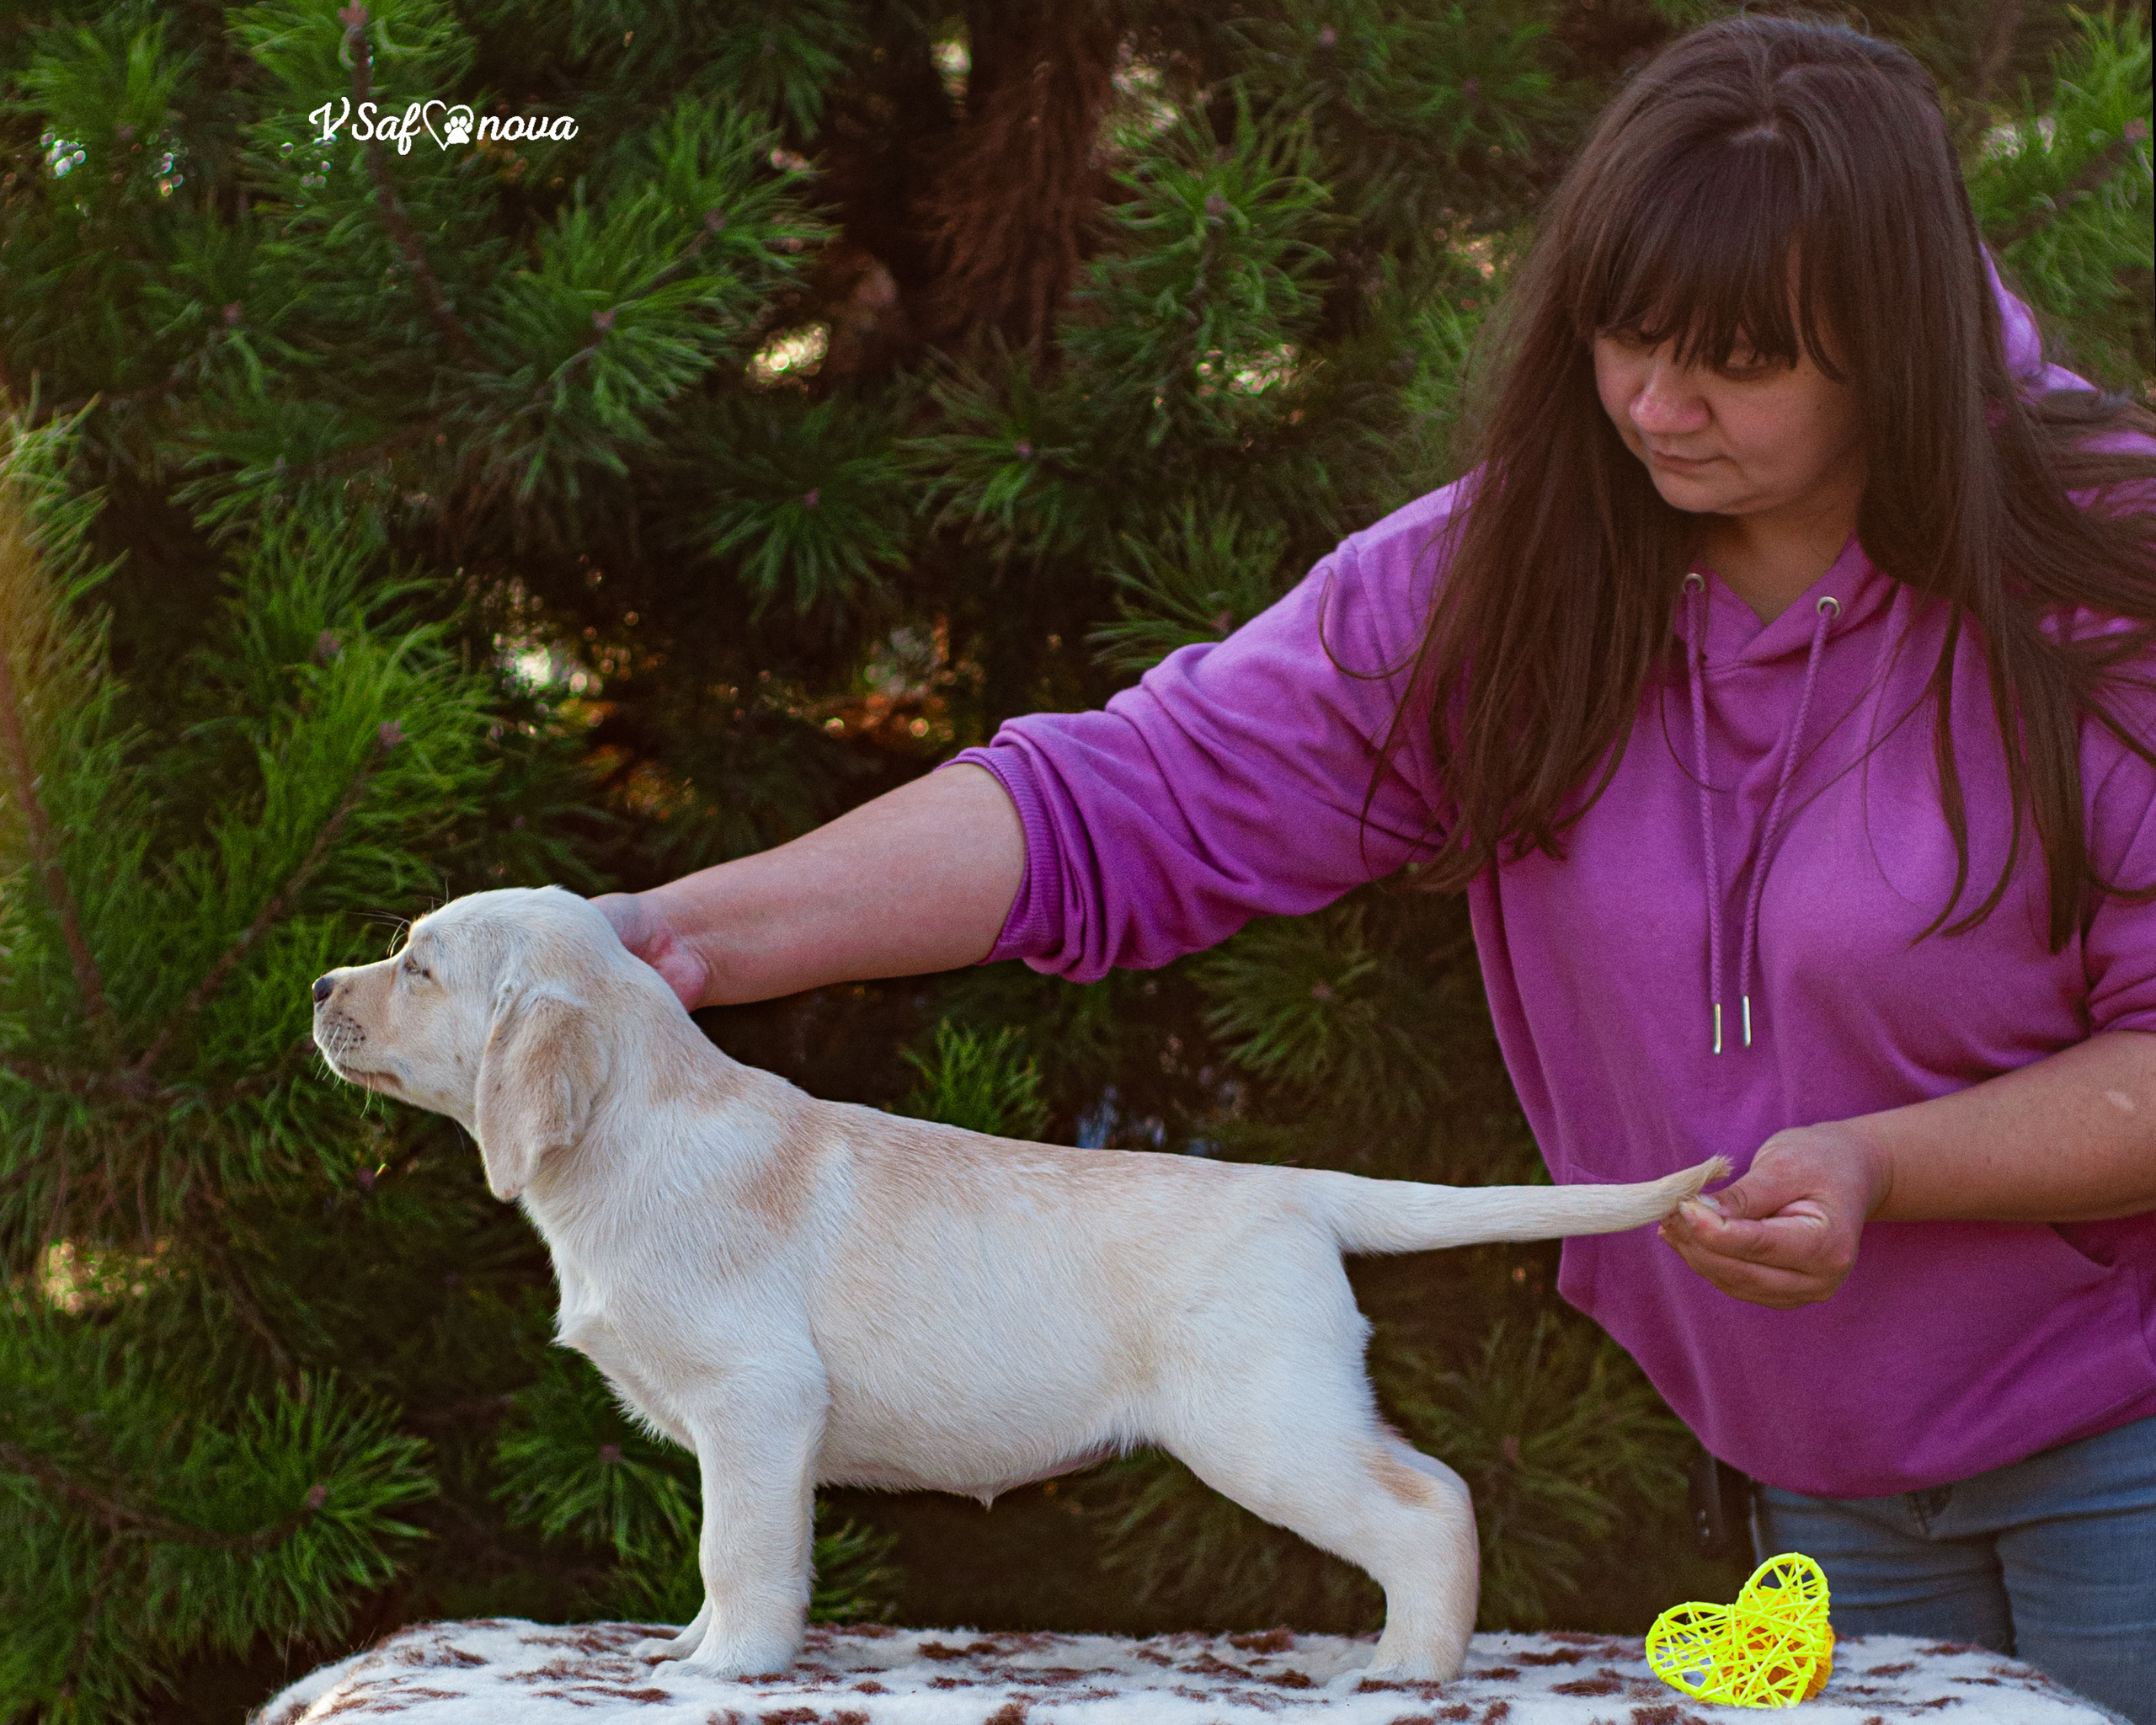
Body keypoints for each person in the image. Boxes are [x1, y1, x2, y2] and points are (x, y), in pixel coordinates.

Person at [594, 14, 2156, 1718]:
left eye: (1737, 358)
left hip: (2125, 1451)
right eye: (1619, 335)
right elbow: (1124, 799)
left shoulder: (2110, 580)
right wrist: (676, 937)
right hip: (1800, 1480)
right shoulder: (1502, 574)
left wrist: (1874, 1164)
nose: (1651, 401)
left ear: (1897, 343)